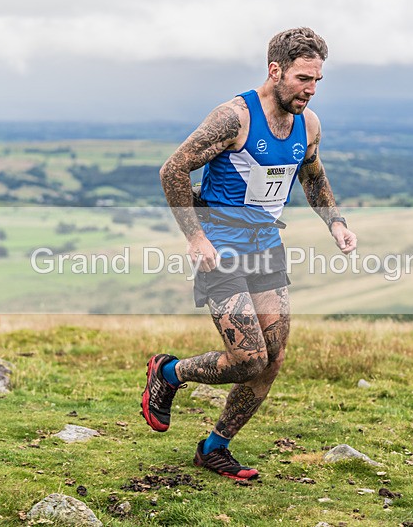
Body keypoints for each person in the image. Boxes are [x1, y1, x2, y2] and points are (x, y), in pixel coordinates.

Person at [142, 27, 357, 481]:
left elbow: (312, 174)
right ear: (275, 70)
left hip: (266, 248)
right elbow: (173, 169)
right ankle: (170, 372)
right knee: (248, 360)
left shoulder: (308, 124)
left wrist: (335, 222)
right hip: (220, 249)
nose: (310, 90)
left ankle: (214, 448)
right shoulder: (234, 117)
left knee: (272, 358)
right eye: (302, 79)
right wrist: (195, 237)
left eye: (317, 80)